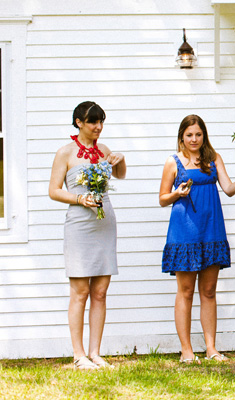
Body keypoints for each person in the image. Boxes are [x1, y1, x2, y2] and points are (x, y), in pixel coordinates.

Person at [159, 115, 235, 363]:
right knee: (186, 291)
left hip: (211, 229)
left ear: (204, 135)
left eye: (198, 134)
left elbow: (228, 189)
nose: (194, 139)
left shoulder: (214, 158)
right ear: (182, 136)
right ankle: (186, 350)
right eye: (189, 135)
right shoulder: (173, 162)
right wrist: (177, 193)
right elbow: (162, 199)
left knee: (209, 291)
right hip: (184, 231)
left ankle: (211, 348)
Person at [48, 101, 127, 369]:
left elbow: (120, 176)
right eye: (93, 121)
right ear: (79, 122)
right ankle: (78, 354)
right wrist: (80, 198)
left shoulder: (103, 149)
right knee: (80, 291)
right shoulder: (65, 153)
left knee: (101, 291)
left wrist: (120, 160)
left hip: (104, 222)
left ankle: (95, 353)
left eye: (101, 121)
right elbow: (53, 191)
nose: (98, 127)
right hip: (80, 225)